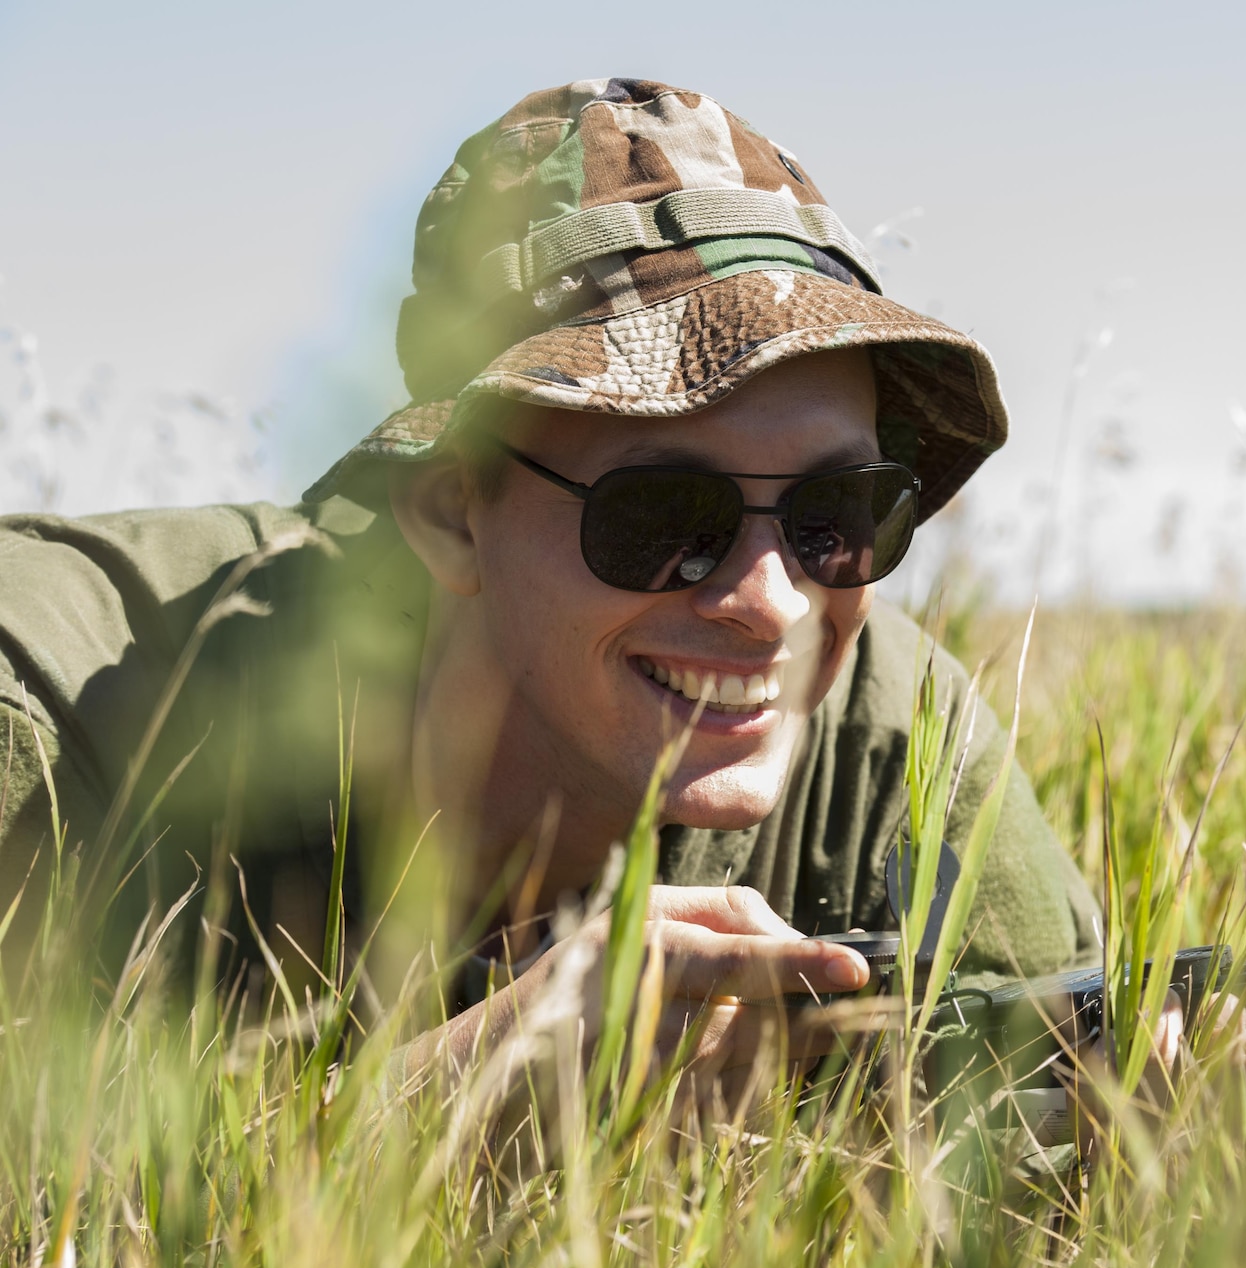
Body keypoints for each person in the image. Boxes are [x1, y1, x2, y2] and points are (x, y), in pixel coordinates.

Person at [0, 79, 1097, 1093]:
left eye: (836, 516)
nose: (773, 603)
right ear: (446, 512)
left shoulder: (896, 747)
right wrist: (435, 1105)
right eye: (665, 519)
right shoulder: (60, 718)